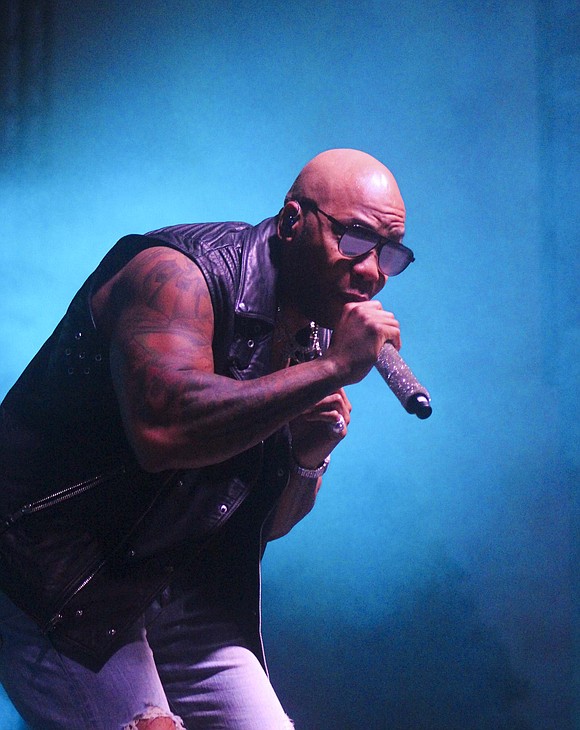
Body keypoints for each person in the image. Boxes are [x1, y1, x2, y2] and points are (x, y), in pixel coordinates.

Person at [0, 148, 413, 729]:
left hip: (172, 581)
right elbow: (163, 431)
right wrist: (328, 371)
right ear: (293, 221)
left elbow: (266, 525)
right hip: (56, 571)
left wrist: (307, 457)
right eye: (352, 239)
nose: (371, 271)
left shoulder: (314, 327)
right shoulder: (178, 273)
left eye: (388, 253)